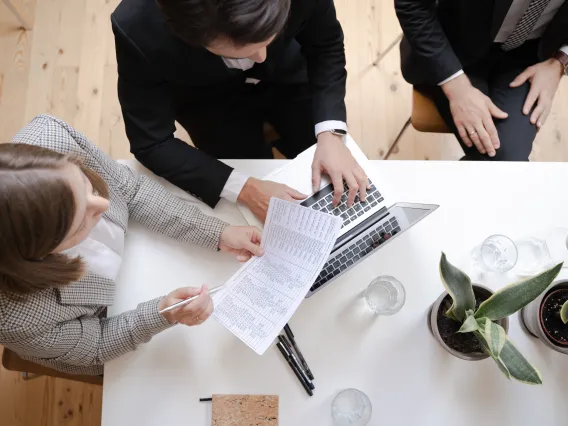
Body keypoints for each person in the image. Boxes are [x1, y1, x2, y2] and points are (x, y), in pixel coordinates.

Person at [0, 115, 264, 376]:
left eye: (87, 185)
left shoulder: (49, 135)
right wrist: (162, 314)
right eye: (81, 223)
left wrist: (217, 232)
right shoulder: (17, 319)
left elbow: (130, 189)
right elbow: (94, 346)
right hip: (101, 324)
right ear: (38, 255)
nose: (105, 204)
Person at [111, 0, 369, 222]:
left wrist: (331, 134)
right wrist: (246, 189)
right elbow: (152, 142)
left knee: (313, 153)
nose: (260, 57)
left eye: (267, 38)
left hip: (292, 78)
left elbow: (326, 44)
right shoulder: (137, 27)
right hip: (209, 105)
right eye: (242, 50)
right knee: (248, 166)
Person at [396, 0, 568, 161]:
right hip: (451, 47)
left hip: (529, 57)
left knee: (509, 159)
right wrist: (456, 86)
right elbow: (412, 4)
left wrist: (560, 61)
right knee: (502, 163)